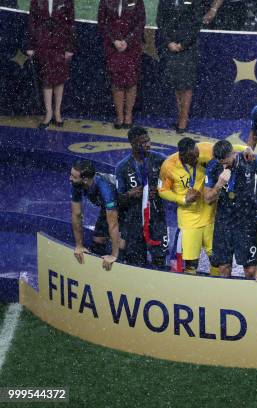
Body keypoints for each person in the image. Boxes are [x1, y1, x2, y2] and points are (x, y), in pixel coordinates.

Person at [158, 137, 252, 275]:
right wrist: (183, 198)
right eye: (193, 158)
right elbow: (162, 190)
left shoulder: (205, 149)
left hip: (211, 216)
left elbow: (228, 148)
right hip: (189, 219)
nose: (197, 160)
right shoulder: (168, 166)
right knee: (191, 263)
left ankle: (215, 288)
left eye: (197, 155)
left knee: (216, 260)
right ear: (182, 155)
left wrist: (246, 149)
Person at [204, 140, 257, 278]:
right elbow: (208, 199)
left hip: (246, 221)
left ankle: (249, 298)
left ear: (233, 154)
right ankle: (226, 298)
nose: (223, 164)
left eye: (226, 161)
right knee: (223, 268)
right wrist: (219, 184)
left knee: (251, 270)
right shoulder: (213, 166)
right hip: (224, 222)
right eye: (220, 161)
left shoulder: (251, 160)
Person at [115, 126, 168, 268]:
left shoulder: (160, 160)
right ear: (132, 143)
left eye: (148, 141)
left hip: (157, 218)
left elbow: (174, 180)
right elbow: (118, 199)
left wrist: (159, 190)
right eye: (143, 142)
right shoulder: (122, 167)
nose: (147, 145)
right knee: (136, 262)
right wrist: (130, 194)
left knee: (159, 260)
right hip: (134, 221)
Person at [156, 0, 205, 133]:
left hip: (187, 49)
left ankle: (183, 121)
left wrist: (183, 44)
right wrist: (169, 42)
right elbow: (160, 21)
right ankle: (180, 118)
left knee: (186, 85)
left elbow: (196, 24)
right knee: (177, 84)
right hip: (170, 48)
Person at [26, 0, 75, 129]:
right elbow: (32, 22)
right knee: (47, 78)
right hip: (43, 43)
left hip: (61, 43)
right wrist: (31, 45)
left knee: (60, 79)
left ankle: (57, 112)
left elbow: (70, 23)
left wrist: (69, 47)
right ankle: (48, 113)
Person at [98, 0, 146, 129]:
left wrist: (127, 41)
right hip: (113, 47)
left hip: (132, 47)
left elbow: (140, 23)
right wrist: (114, 41)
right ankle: (119, 116)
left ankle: (128, 116)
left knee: (131, 81)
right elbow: (102, 23)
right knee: (116, 82)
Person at [70, 160, 122, 271]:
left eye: (73, 177)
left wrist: (114, 255)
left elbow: (113, 224)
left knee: (122, 245)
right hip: (107, 207)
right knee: (98, 240)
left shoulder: (105, 188)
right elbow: (76, 214)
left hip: (128, 205)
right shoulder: (76, 184)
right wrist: (79, 245)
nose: (70, 178)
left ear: (84, 180)